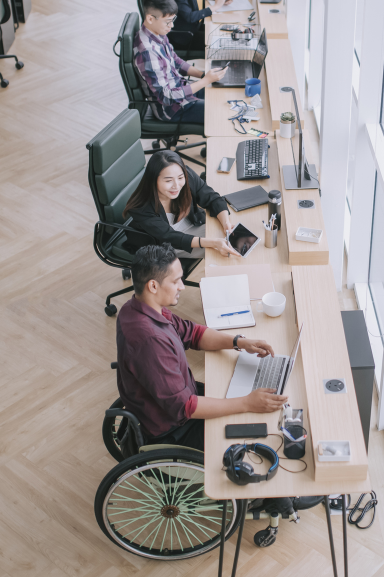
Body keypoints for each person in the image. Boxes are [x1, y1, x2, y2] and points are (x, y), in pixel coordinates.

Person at [116, 244, 287, 451]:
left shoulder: (139, 307)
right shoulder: (149, 340)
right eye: (176, 280)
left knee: (246, 397)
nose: (182, 286)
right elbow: (185, 406)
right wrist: (247, 403)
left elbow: (193, 333)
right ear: (153, 286)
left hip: (183, 395)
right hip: (175, 430)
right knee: (253, 429)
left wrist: (238, 342)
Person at [123, 150, 241, 260]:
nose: (176, 185)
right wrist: (214, 243)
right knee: (225, 253)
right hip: (169, 244)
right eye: (168, 181)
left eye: (180, 177)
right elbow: (169, 237)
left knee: (233, 237)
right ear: (153, 180)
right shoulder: (142, 208)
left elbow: (212, 197)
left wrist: (226, 223)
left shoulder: (184, 175)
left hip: (194, 224)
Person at [134, 0, 227, 126]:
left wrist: (203, 75)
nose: (171, 26)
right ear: (150, 18)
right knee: (220, 113)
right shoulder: (147, 52)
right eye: (168, 22)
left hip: (181, 89)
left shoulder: (157, 31)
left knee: (223, 96)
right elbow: (166, 97)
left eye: (173, 20)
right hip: (172, 109)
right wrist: (205, 81)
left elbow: (176, 61)